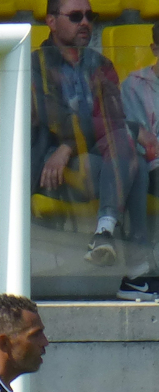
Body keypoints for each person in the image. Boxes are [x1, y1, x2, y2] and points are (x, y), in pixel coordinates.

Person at [32, 0, 152, 276]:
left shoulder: (101, 65)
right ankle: (138, 262)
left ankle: (105, 232)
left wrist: (70, 144)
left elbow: (113, 120)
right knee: (135, 162)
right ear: (51, 21)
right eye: (75, 16)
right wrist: (66, 146)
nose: (85, 22)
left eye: (89, 16)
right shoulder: (34, 64)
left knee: (125, 146)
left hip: (95, 156)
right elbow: (56, 121)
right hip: (51, 164)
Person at [119, 21, 159, 300]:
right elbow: (145, 144)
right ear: (155, 48)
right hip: (147, 166)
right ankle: (137, 276)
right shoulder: (135, 86)